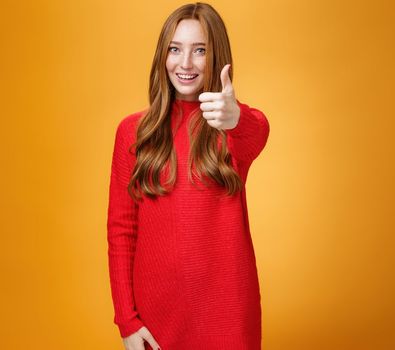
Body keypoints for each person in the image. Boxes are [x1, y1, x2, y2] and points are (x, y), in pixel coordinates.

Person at [106, 3, 270, 349]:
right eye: (175, 49)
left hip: (228, 314)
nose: (185, 63)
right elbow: (121, 231)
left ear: (218, 57)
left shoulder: (232, 126)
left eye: (200, 51)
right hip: (156, 317)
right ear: (162, 55)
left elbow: (257, 131)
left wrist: (235, 117)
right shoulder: (132, 132)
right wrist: (126, 320)